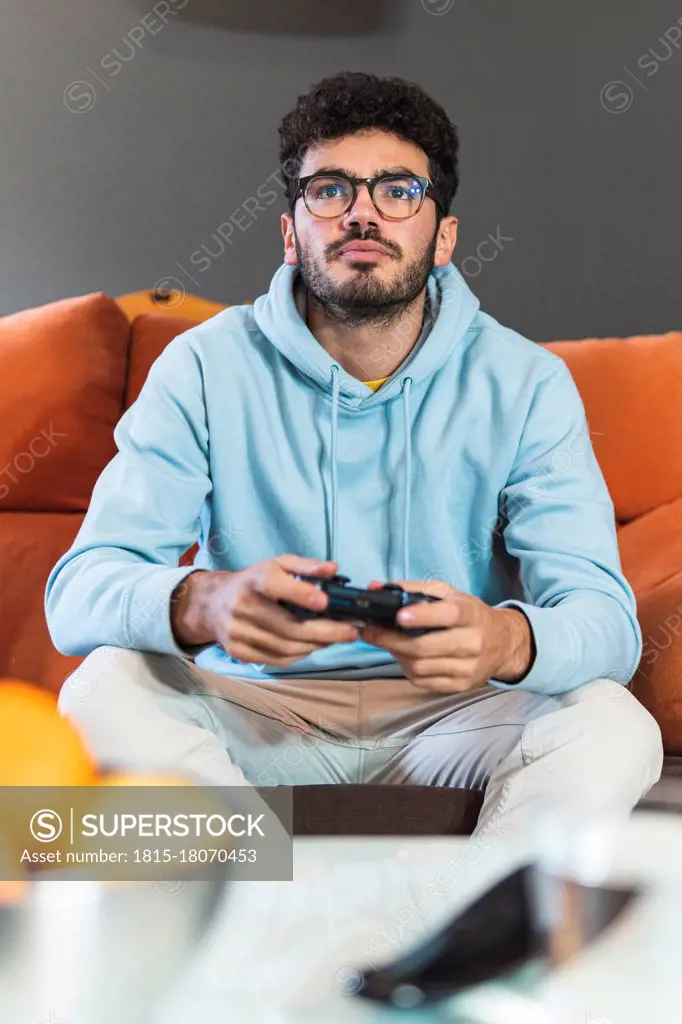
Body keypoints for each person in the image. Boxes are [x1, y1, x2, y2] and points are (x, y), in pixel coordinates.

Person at [45, 71, 662, 838]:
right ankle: (250, 912)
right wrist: (208, 603)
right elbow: (77, 594)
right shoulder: (202, 368)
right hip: (252, 708)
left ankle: (478, 940)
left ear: (443, 235)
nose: (362, 212)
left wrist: (503, 638)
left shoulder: (527, 382)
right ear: (290, 230)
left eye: (398, 190)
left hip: (451, 714)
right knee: (101, 690)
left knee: (613, 726)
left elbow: (606, 621)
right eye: (330, 189)